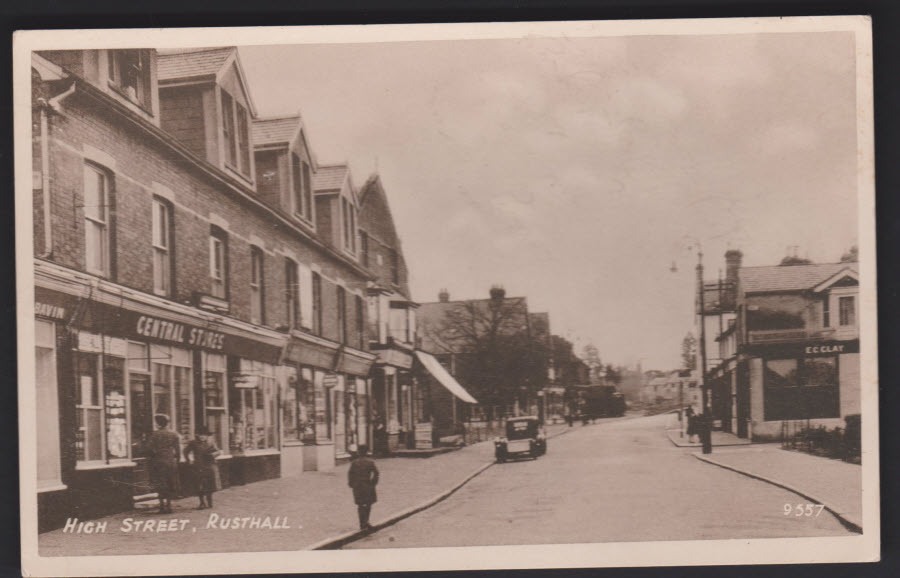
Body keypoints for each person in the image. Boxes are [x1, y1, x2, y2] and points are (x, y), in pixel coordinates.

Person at [147, 414, 181, 514]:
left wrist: (154, 455)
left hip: (158, 462)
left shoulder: (154, 434)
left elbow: (149, 448)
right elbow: (178, 451)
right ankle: (169, 505)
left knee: (160, 483)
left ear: (158, 423)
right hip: (170, 462)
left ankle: (162, 506)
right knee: (170, 482)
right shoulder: (174, 434)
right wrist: (176, 460)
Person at [184, 426, 221, 510]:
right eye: (200, 435)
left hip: (209, 466)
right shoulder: (193, 443)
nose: (202, 436)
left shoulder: (211, 443)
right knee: (199, 485)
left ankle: (209, 500)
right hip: (198, 467)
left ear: (207, 436)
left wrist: (212, 455)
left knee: (210, 485)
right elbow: (185, 451)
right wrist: (188, 460)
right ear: (197, 435)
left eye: (204, 435)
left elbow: (218, 451)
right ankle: (202, 502)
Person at [348, 444, 379, 531]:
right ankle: (366, 521)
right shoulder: (370, 462)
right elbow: (376, 473)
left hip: (357, 487)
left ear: (359, 452)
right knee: (368, 504)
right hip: (368, 485)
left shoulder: (354, 462)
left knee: (360, 505)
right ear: (366, 452)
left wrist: (351, 483)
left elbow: (350, 474)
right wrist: (373, 483)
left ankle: (362, 524)